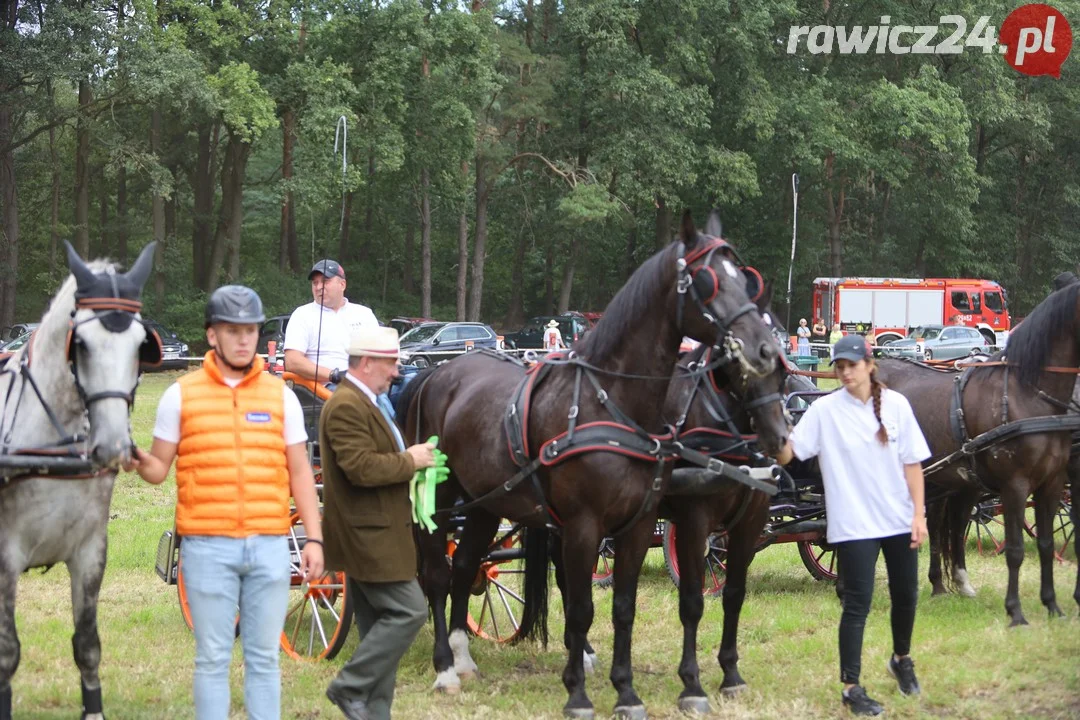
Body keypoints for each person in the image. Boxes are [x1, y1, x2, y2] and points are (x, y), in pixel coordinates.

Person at [126, 285, 324, 720]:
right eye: (232, 330)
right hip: (206, 548)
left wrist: (314, 539)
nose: (242, 339)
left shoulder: (281, 396)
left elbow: (300, 474)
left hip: (270, 547)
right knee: (213, 659)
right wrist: (133, 459)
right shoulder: (180, 395)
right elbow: (159, 469)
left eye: (250, 330)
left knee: (263, 658)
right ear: (212, 335)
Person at [775, 335, 931, 716]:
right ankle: (851, 687)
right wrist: (771, 431)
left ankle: (902, 660)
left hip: (897, 518)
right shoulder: (825, 410)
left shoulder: (896, 405)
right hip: (854, 524)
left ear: (869, 364)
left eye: (851, 365)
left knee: (906, 596)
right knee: (856, 606)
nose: (844, 372)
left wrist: (918, 514)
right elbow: (791, 452)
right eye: (839, 366)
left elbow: (912, 463)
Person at [320, 326, 435, 720]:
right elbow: (361, 469)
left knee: (376, 633)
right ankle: (349, 686)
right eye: (391, 363)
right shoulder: (347, 406)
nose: (396, 372)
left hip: (380, 534)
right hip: (368, 537)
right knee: (410, 611)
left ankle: (373, 712)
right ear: (367, 362)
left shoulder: (369, 401)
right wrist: (412, 461)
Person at [284, 259, 380, 386]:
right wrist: (334, 375)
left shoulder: (364, 314)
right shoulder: (302, 315)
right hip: (327, 388)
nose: (318, 287)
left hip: (368, 382)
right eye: (315, 283)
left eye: (325, 281)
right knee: (376, 399)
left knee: (411, 384)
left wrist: (394, 367)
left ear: (342, 285)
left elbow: (381, 354)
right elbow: (292, 361)